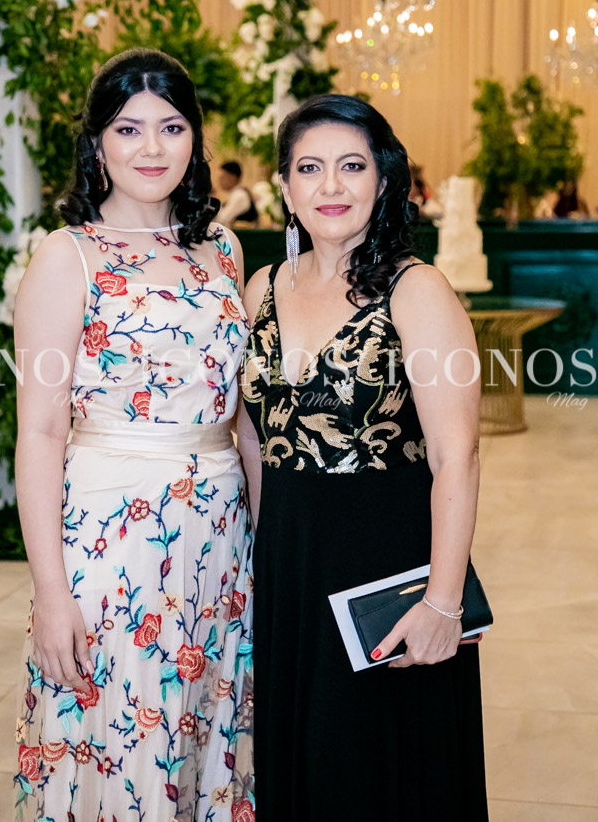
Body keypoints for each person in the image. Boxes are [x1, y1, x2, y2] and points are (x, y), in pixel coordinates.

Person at [13, 48, 254, 822]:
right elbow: (39, 431)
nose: (152, 148)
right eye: (128, 129)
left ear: (195, 139)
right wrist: (52, 592)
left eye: (171, 127)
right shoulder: (68, 257)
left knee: (203, 730)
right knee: (123, 733)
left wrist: (271, 532)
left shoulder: (222, 249)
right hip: (112, 532)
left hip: (219, 532)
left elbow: (240, 410)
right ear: (96, 143)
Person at [237, 94, 488, 820]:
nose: (330, 186)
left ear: (383, 180)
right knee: (303, 762)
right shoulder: (262, 289)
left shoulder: (418, 290)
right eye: (308, 168)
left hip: (387, 566)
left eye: (351, 166)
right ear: (284, 188)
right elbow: (252, 433)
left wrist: (441, 602)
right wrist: (261, 551)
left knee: (379, 770)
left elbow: (457, 455)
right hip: (290, 563)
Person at [215, 160, 259, 226]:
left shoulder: (239, 195)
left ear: (232, 178)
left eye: (222, 177)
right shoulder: (236, 194)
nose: (219, 181)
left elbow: (222, 220)